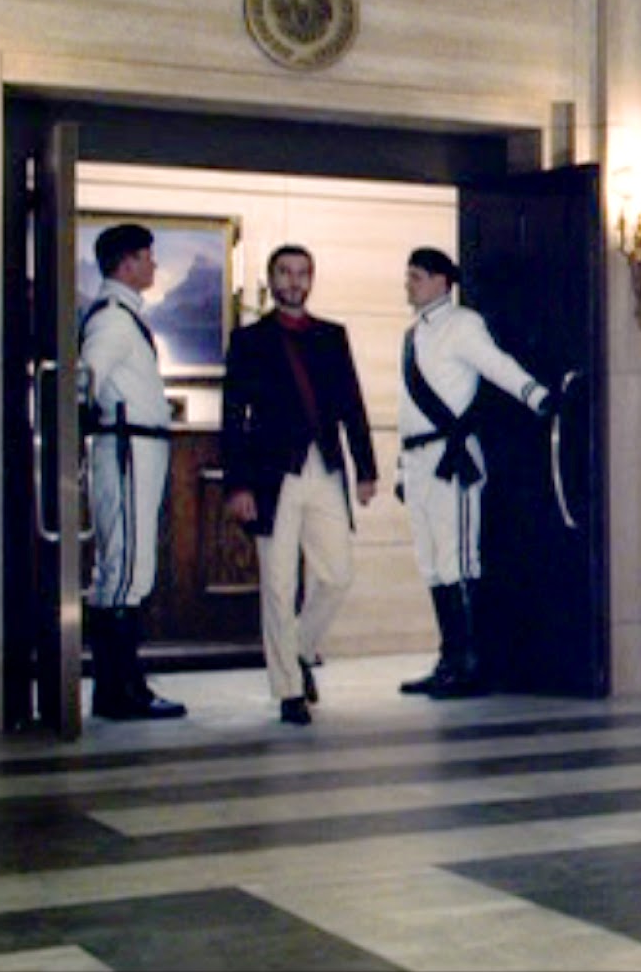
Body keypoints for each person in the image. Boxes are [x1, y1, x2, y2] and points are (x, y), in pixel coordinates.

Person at [220, 244, 378, 725]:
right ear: (272, 280)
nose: (294, 281)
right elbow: (233, 417)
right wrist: (238, 485)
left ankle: (301, 650)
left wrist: (365, 468)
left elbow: (352, 404)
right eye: (285, 273)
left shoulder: (332, 335)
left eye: (303, 273)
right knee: (279, 584)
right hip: (271, 476)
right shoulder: (249, 340)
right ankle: (288, 689)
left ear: (311, 280)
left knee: (337, 575)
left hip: (324, 467)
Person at [395, 247, 555, 699]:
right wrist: (401, 468)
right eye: (409, 276)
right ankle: (449, 659)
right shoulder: (413, 334)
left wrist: (535, 395)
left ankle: (471, 665)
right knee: (431, 563)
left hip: (452, 459)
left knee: (459, 560)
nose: (409, 284)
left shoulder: (462, 324)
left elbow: (496, 365)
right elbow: (408, 408)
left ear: (442, 282)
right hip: (418, 460)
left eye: (417, 277)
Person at [79, 223, 190, 721]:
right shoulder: (112, 319)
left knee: (128, 569)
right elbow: (85, 381)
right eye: (147, 257)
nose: (154, 265)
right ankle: (120, 691)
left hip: (136, 449)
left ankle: (121, 687)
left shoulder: (124, 316)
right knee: (124, 570)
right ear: (127, 263)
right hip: (125, 449)